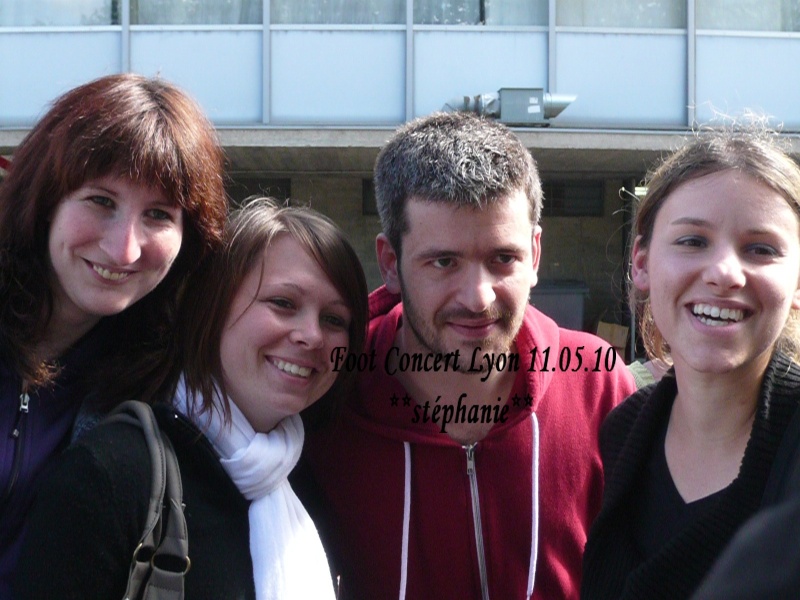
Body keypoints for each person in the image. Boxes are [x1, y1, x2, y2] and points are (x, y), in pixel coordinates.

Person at [294, 111, 637, 599]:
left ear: (535, 255)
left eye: (503, 259)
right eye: (443, 261)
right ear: (390, 262)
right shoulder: (328, 392)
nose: (477, 298)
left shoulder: (598, 383)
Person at [13, 199, 369, 599]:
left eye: (334, 320)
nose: (312, 335)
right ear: (212, 307)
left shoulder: (308, 488)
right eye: (283, 304)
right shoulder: (114, 473)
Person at [0, 73, 228, 596]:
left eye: (158, 215)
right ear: (46, 197)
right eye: (101, 201)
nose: (125, 249)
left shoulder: (160, 381)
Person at [581, 127, 800, 599]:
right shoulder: (623, 432)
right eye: (692, 241)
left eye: (760, 249)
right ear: (640, 262)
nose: (723, 272)